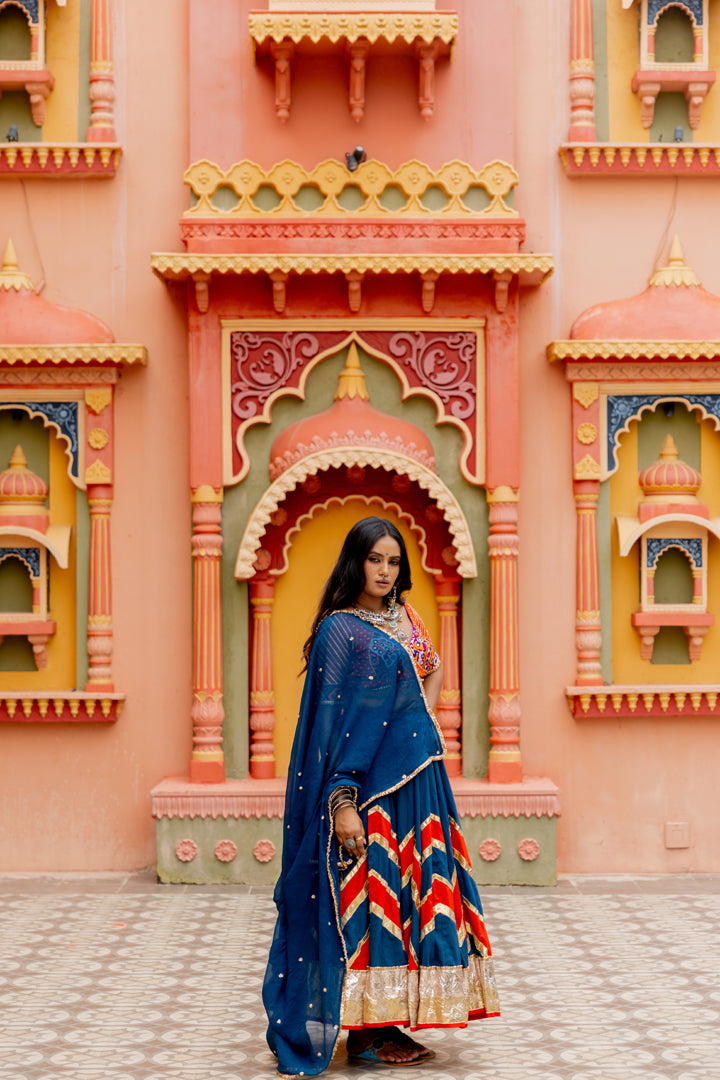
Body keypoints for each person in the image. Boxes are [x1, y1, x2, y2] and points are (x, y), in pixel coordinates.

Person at [263, 516, 499, 1076]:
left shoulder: (406, 618)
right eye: (375, 560)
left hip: (418, 779)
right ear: (355, 562)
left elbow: (432, 670)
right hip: (370, 788)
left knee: (415, 901)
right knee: (372, 902)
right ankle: (367, 1035)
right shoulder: (339, 631)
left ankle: (392, 1020)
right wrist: (342, 800)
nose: (385, 571)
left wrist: (423, 725)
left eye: (394, 562)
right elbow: (330, 724)